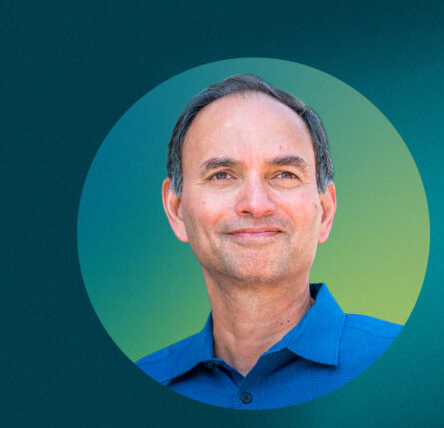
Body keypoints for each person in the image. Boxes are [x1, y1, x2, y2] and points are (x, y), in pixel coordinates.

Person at [137, 74, 400, 409]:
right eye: (221, 175)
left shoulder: (412, 367)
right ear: (176, 211)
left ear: (325, 211)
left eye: (285, 174)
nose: (256, 204)